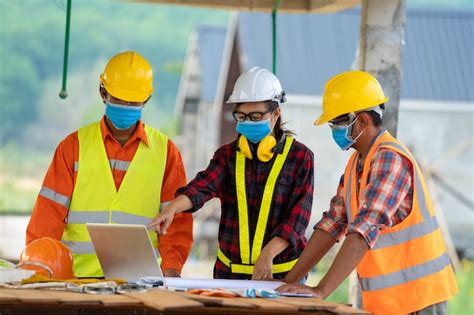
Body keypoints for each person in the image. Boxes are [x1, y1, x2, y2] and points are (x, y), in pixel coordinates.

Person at [276, 70, 458, 314]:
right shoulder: (356, 163)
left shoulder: (390, 159)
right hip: (389, 302)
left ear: (361, 120)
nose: (333, 131)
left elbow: (363, 230)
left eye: (337, 123)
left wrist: (320, 291)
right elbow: (332, 224)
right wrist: (288, 282)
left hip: (419, 299)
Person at [26, 51, 193, 278]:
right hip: (76, 280)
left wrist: (171, 271)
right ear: (102, 93)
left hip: (140, 281)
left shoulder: (166, 153)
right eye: (118, 98)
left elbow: (176, 225)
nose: (125, 105)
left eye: (133, 101)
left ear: (147, 99)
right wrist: (39, 270)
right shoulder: (72, 148)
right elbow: (46, 221)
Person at [148, 67, 314, 280]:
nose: (248, 122)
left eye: (256, 116)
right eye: (242, 116)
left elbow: (297, 219)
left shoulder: (301, 157)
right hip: (230, 276)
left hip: (282, 275)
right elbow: (202, 187)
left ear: (276, 114)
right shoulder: (227, 155)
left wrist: (268, 254)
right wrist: (172, 208)